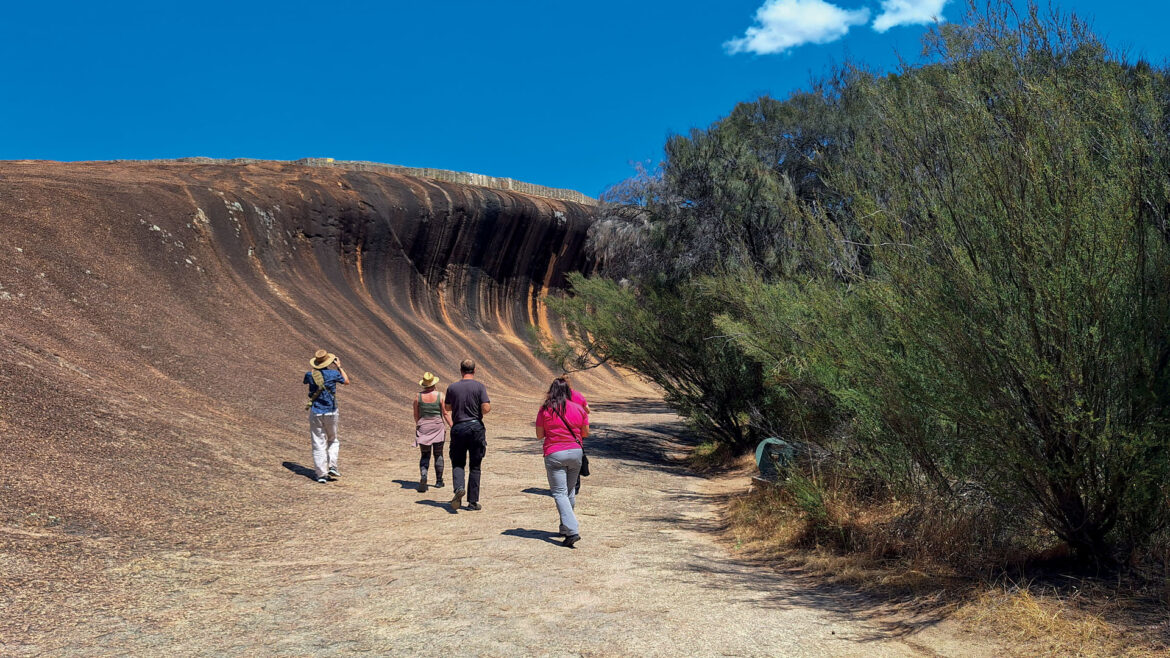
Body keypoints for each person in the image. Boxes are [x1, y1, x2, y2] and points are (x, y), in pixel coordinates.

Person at [535, 377, 589, 548]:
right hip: (575, 452)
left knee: (559, 493)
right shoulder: (579, 408)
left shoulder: (545, 409)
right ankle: (565, 528)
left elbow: (539, 435)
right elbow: (585, 433)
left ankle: (572, 530)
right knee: (570, 491)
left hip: (554, 453)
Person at [444, 359, 490, 511]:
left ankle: (458, 488)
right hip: (476, 427)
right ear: (474, 370)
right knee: (475, 466)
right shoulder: (479, 387)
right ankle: (472, 502)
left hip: (458, 428)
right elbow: (486, 408)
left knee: (458, 462)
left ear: (461, 370)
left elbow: (447, 407)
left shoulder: (452, 387)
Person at [304, 349, 350, 484]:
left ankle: (321, 474)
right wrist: (339, 366)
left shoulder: (309, 374)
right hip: (331, 411)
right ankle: (332, 466)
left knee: (318, 442)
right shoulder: (333, 374)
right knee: (333, 439)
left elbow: (307, 381)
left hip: (316, 411)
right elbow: (346, 381)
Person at [413, 371, 452, 493]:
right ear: (434, 384)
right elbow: (445, 413)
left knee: (425, 455)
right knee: (438, 454)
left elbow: (416, 414)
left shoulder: (418, 397)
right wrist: (452, 426)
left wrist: (419, 425)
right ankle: (439, 481)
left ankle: (424, 475)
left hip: (424, 426)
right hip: (437, 427)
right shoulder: (440, 396)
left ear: (424, 385)